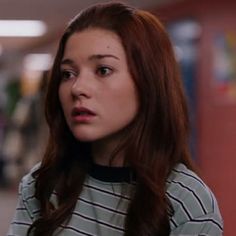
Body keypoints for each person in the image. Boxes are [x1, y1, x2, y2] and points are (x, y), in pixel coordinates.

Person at [7, 2, 223, 236]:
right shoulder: (41, 185)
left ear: (147, 82)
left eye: (103, 70)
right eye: (68, 74)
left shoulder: (187, 202)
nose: (78, 88)